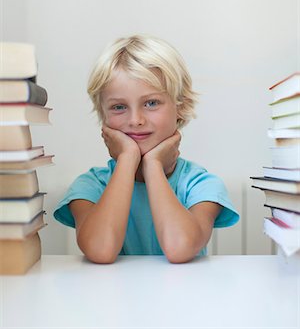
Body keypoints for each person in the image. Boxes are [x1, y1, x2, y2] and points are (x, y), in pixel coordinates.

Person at [53, 34, 239, 263]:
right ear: (104, 117)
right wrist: (128, 160)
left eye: (151, 103)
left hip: (186, 298)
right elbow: (101, 250)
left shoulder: (201, 185)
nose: (136, 120)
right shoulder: (90, 186)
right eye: (119, 107)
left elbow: (179, 248)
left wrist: (153, 166)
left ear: (180, 106)